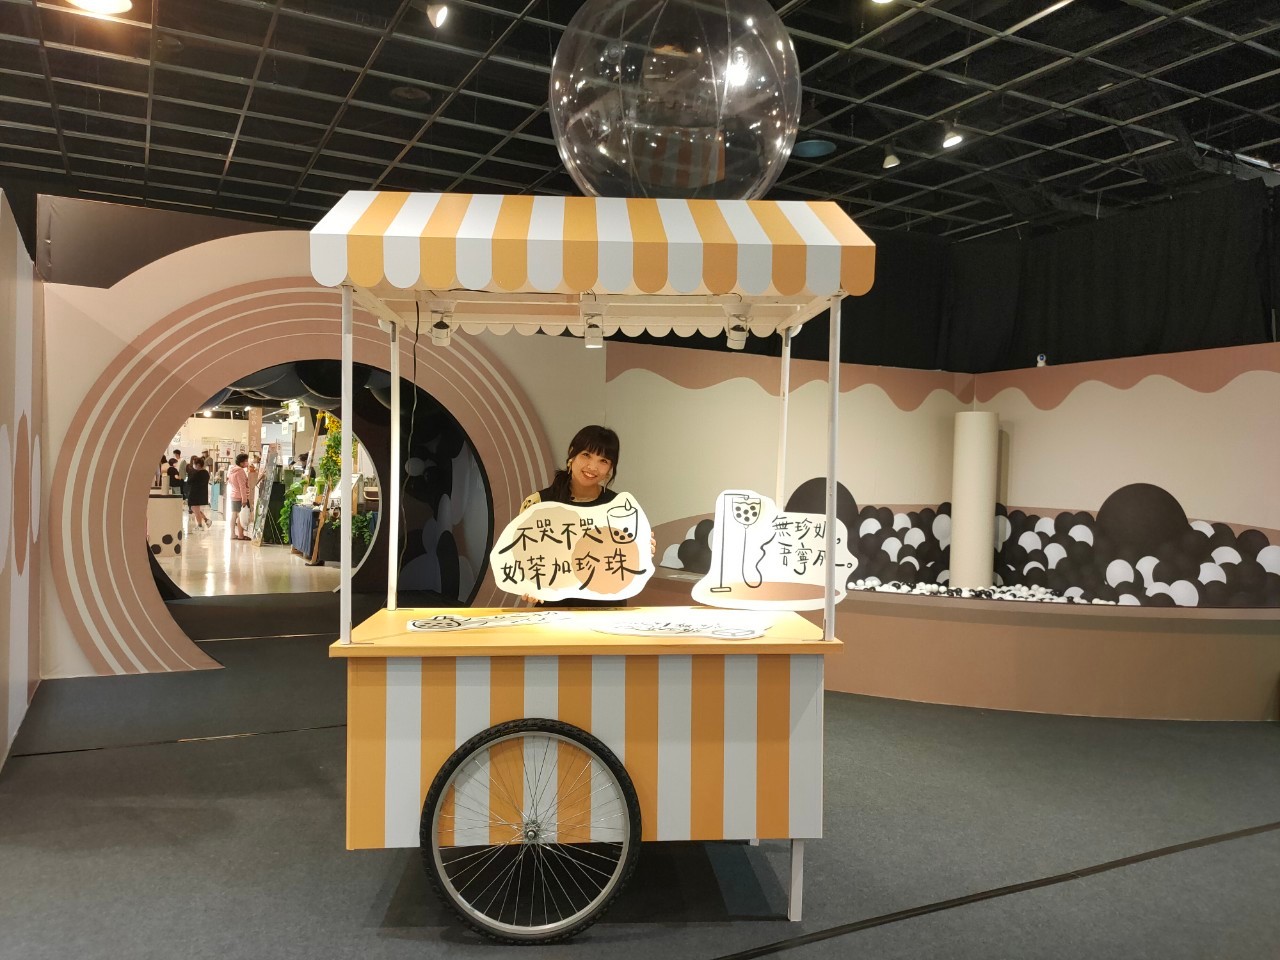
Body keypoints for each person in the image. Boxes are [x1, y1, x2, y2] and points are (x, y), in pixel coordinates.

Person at [519, 425, 652, 608]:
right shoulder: (538, 503)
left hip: (607, 609)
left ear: (610, 468)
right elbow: (522, 557)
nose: (592, 467)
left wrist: (642, 548)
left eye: (603, 460)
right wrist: (528, 584)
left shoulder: (620, 507)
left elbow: (629, 561)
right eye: (586, 455)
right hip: (554, 612)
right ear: (571, 454)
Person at [228, 453, 252, 541]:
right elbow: (242, 486)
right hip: (240, 497)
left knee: (234, 515)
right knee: (240, 516)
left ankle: (232, 534)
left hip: (233, 495)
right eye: (246, 461)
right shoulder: (240, 471)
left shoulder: (232, 470)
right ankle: (241, 535)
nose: (247, 463)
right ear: (241, 462)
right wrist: (244, 499)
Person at [187, 456, 212, 530]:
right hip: (202, 493)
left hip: (195, 493)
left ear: (198, 465)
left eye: (194, 464)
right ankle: (206, 520)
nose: (193, 465)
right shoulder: (206, 473)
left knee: (195, 509)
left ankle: (200, 525)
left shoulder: (196, 473)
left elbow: (189, 482)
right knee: (195, 509)